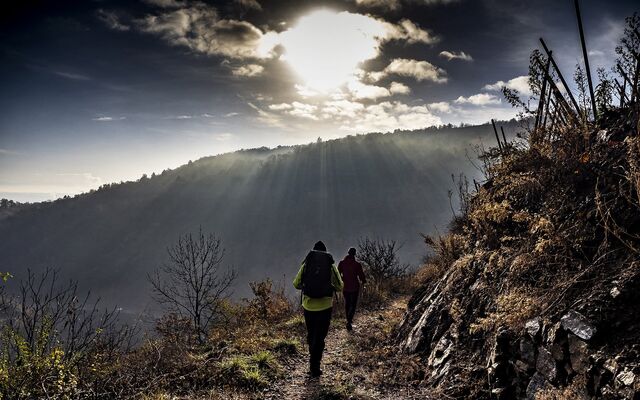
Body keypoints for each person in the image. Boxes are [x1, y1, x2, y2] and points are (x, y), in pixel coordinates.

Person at [293, 241, 343, 377]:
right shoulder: (330, 264)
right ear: (325, 252)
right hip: (325, 306)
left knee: (312, 334)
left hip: (308, 306)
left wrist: (307, 285)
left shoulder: (307, 263)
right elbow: (340, 287)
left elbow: (296, 283)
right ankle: (315, 365)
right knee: (320, 336)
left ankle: (312, 360)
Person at [337, 247, 366, 331]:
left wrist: (342, 280)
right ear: (354, 254)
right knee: (353, 305)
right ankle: (349, 320)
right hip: (355, 287)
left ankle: (348, 320)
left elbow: (338, 274)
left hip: (345, 287)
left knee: (347, 303)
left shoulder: (342, 263)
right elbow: (361, 275)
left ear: (348, 253)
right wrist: (364, 282)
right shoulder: (357, 264)